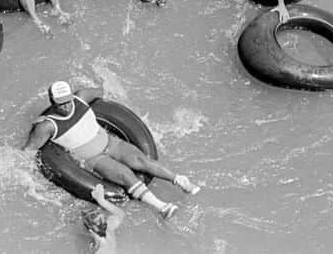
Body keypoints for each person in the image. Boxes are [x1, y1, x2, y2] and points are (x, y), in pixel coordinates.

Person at [22, 81, 201, 221]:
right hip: (94, 158)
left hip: (111, 142)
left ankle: (181, 181)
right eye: (61, 103)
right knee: (125, 174)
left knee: (141, 161)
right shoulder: (47, 126)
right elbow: (29, 150)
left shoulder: (81, 97)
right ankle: (162, 207)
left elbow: (101, 90)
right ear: (52, 102)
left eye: (68, 101)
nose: (66, 106)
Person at [84, 184, 125, 252]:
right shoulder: (108, 228)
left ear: (90, 231)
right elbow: (120, 214)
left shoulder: (101, 249)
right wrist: (101, 201)